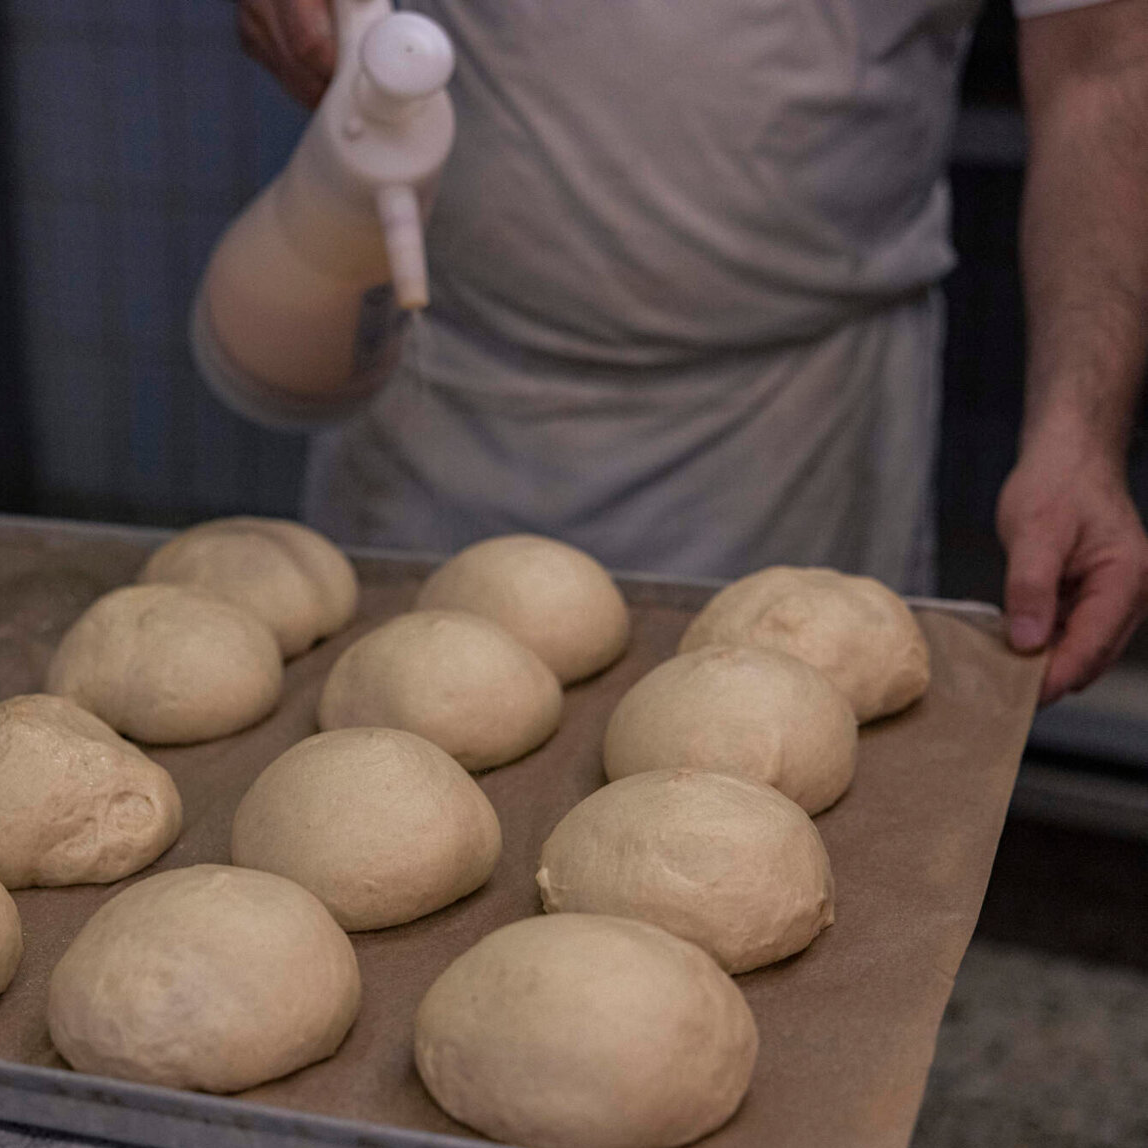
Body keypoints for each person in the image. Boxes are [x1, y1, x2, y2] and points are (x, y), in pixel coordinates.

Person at [227, 0, 1148, 703]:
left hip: (794, 429)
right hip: (444, 374)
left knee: (773, 812)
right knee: (385, 765)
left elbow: (1105, 68)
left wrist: (1082, 431)